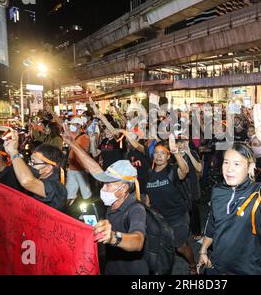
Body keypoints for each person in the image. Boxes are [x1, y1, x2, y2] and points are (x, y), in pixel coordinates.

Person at [197, 104, 261, 275]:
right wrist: (204, 250)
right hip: (217, 266)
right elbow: (212, 224)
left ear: (250, 168)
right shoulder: (218, 191)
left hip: (248, 270)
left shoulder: (257, 194)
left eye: (236, 164)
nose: (229, 169)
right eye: (226, 163)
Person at [61, 130, 147, 275]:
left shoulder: (136, 209)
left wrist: (113, 237)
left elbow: (138, 241)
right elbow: (94, 169)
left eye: (109, 185)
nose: (103, 188)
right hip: (110, 268)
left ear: (124, 188)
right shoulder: (114, 202)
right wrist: (73, 144)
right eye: (104, 184)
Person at [146, 135, 197, 274]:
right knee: (160, 246)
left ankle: (193, 264)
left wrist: (176, 153)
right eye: (156, 152)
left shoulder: (172, 171)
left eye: (163, 153)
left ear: (168, 157)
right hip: (159, 218)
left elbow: (185, 170)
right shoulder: (149, 174)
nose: (158, 156)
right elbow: (148, 197)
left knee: (179, 247)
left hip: (177, 216)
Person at [4, 130, 67, 211]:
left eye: (33, 162)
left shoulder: (57, 188)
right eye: (30, 161)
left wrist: (13, 152)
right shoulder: (39, 179)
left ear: (48, 168)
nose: (30, 165)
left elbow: (27, 182)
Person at [66, 117, 92, 206]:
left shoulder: (85, 137)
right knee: (69, 192)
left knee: (85, 193)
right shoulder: (74, 135)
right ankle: (66, 212)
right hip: (72, 168)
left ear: (78, 126)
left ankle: (88, 212)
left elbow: (84, 152)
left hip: (80, 169)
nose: (70, 126)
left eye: (72, 124)